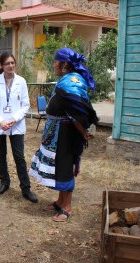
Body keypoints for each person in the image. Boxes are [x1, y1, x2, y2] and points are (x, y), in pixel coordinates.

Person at [29, 48, 98, 222]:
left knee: (65, 168)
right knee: (59, 168)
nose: (53, 64)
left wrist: (83, 132)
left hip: (65, 134)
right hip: (57, 133)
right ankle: (60, 202)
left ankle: (67, 207)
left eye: (55, 61)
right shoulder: (67, 80)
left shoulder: (70, 83)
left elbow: (76, 112)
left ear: (64, 64)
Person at [0, 51, 38, 203]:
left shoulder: (21, 81)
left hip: (16, 125)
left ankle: (26, 188)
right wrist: (1, 121)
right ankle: (4, 182)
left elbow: (26, 105)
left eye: (12, 63)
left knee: (19, 157)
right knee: (0, 154)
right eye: (7, 63)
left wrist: (14, 120)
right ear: (1, 66)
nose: (10, 66)